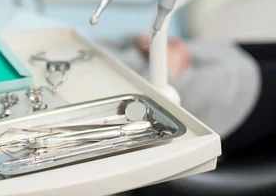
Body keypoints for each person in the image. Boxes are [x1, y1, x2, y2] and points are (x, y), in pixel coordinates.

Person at [102, 34, 276, 158]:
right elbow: (132, 112)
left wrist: (149, 41)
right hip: (217, 96)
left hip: (210, 54)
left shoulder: (74, 44)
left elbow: (114, 43)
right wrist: (167, 66)